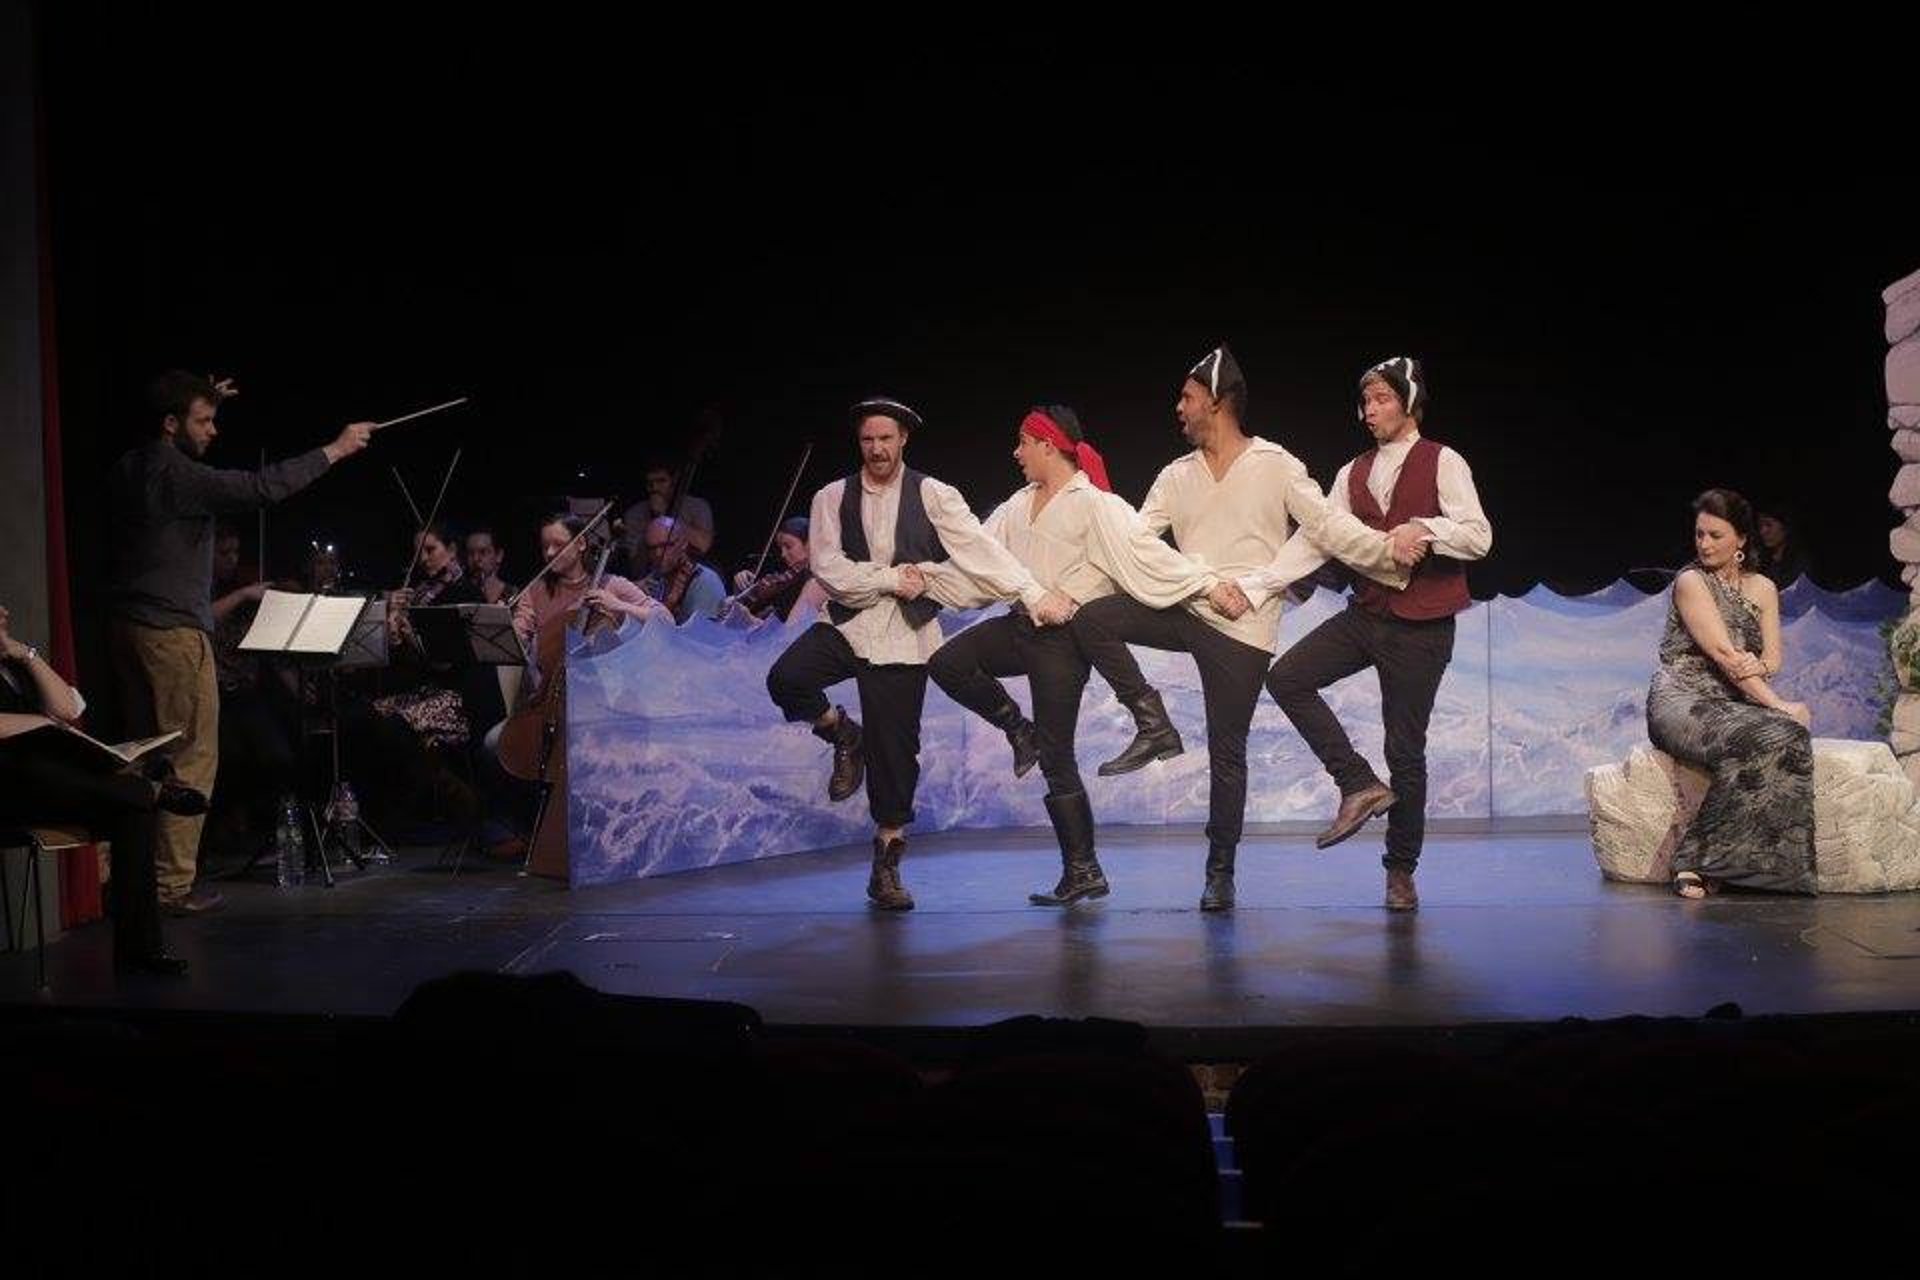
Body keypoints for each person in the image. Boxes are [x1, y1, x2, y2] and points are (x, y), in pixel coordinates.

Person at [1068, 347, 1406, 910]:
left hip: (1241, 630)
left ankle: (1219, 871)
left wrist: (1386, 552)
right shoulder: (1177, 475)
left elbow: (1326, 526)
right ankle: (1152, 722)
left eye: (1188, 398)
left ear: (1218, 403)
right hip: (1189, 606)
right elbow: (1135, 540)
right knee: (1094, 618)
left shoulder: (1275, 464)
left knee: (1228, 754)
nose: (1179, 408)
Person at [925, 404, 1215, 906]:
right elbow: (979, 563)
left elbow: (1148, 557)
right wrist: (923, 578)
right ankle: (1020, 730)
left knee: (1058, 758)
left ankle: (1083, 870)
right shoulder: (1016, 505)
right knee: (948, 663)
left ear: (1047, 444)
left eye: (1022, 442)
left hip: (1063, 641)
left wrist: (1207, 583)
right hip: (1020, 626)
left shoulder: (1094, 503)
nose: (1015, 453)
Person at [106, 370, 373, 914]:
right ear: (170, 424)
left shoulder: (129, 465)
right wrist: (336, 450)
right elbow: (260, 488)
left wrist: (201, 394)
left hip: (128, 627)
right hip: (173, 633)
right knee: (191, 756)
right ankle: (169, 887)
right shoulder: (178, 473)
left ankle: (131, 878)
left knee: (142, 755)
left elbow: (176, 422)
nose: (213, 431)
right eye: (203, 421)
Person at [765, 396, 1045, 910]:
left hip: (903, 638)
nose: (877, 449)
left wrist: (1028, 592)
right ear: (859, 442)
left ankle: (886, 867)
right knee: (787, 679)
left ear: (903, 440)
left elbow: (982, 553)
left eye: (886, 439)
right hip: (848, 624)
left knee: (896, 759)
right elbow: (830, 570)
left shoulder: (934, 494)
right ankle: (844, 733)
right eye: (868, 439)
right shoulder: (832, 496)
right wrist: (893, 578)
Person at [1255, 356, 1494, 912]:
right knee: (1288, 677)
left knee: (1405, 751)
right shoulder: (1351, 472)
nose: (1370, 411)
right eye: (1366, 402)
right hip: (1368, 615)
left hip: (1423, 627)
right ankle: (1358, 783)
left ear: (1408, 402)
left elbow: (1479, 537)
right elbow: (1319, 537)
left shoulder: (1443, 460)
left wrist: (1426, 529)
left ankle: (1400, 870)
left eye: (1382, 399)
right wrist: (1265, 583)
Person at [0, 601, 204, 974]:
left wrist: (22, 652)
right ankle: (149, 788)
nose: (2, 612)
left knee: (133, 812)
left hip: (51, 788)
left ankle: (139, 954)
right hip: (10, 791)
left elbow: (66, 709)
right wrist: (40, 723)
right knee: (35, 767)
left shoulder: (13, 664)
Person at [1646, 488, 1814, 897]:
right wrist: (1777, 703)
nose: (1703, 543)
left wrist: (1761, 667)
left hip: (1736, 702)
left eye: (1715, 535)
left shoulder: (1763, 589)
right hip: (1684, 700)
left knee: (1792, 738)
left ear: (1741, 539)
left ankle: (1763, 869)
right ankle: (1695, 860)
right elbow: (1724, 655)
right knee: (1774, 729)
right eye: (1700, 534)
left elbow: (1772, 658)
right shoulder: (1691, 582)